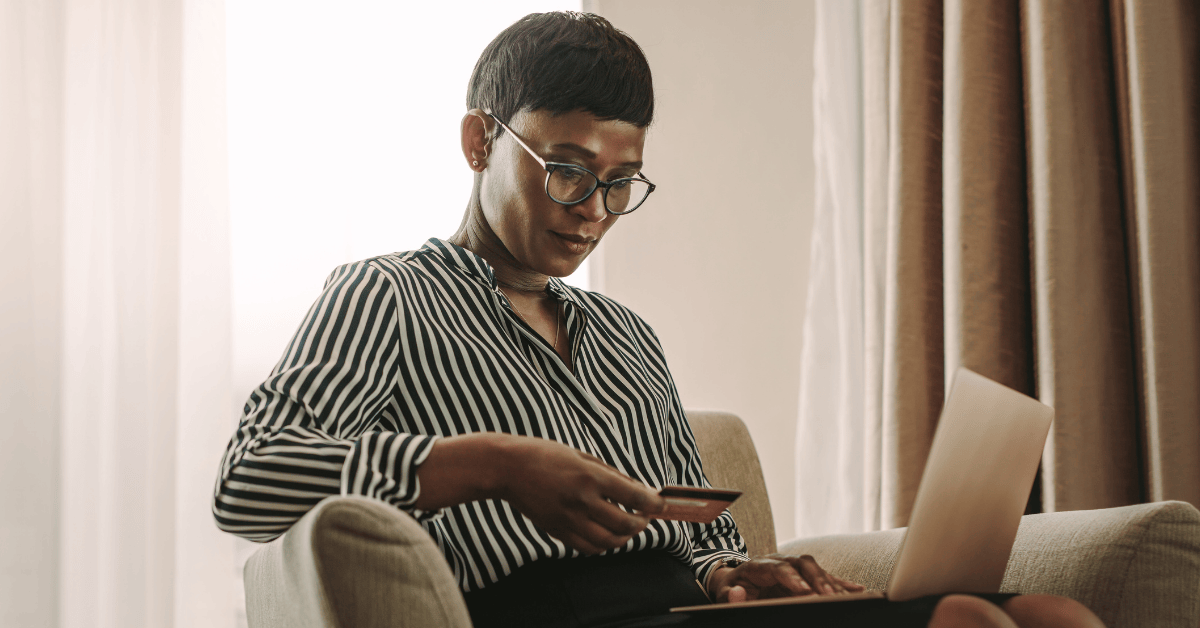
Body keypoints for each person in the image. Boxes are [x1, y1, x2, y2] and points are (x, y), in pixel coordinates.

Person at [213, 11, 1106, 628]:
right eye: (565, 168)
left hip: (675, 608)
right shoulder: (385, 295)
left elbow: (701, 531)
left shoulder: (627, 336)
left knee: (1052, 612)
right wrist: (493, 464)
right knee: (960, 619)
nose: (593, 207)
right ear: (480, 142)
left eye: (619, 180)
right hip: (543, 611)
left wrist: (730, 568)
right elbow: (247, 482)